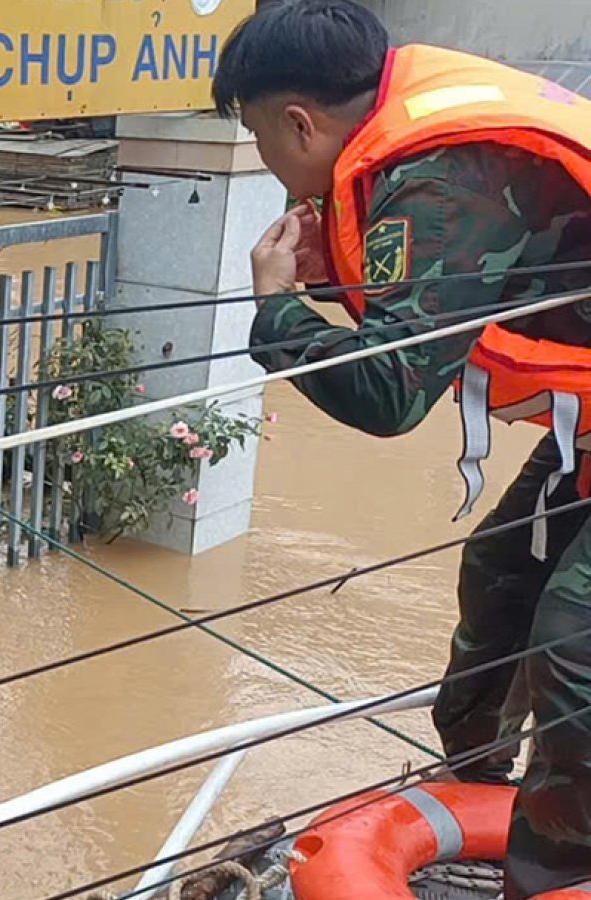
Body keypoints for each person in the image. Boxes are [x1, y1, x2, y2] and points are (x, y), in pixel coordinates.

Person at [212, 2, 591, 894]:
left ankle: (555, 874)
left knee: (574, 643)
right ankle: (478, 787)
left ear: (300, 122)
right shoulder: (416, 140)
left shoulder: (440, 177)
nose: (271, 168)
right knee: (501, 573)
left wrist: (275, 311)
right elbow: (453, 292)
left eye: (264, 141)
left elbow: (389, 397)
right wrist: (339, 281)